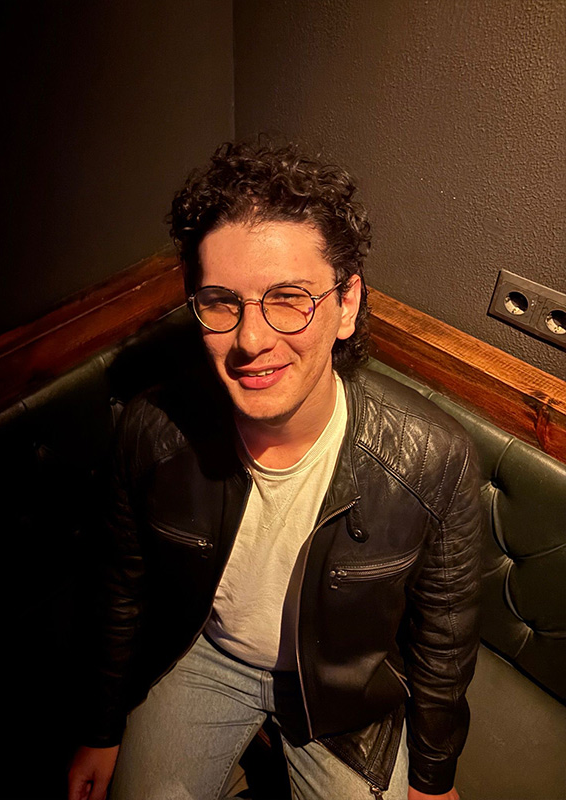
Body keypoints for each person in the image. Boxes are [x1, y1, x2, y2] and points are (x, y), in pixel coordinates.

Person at [68, 141, 481, 800]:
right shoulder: (151, 433)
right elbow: (122, 588)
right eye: (220, 301)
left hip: (342, 684)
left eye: (288, 298)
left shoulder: (432, 459)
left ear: (347, 304)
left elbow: (444, 641)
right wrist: (100, 728)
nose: (251, 339)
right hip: (204, 655)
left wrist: (434, 779)